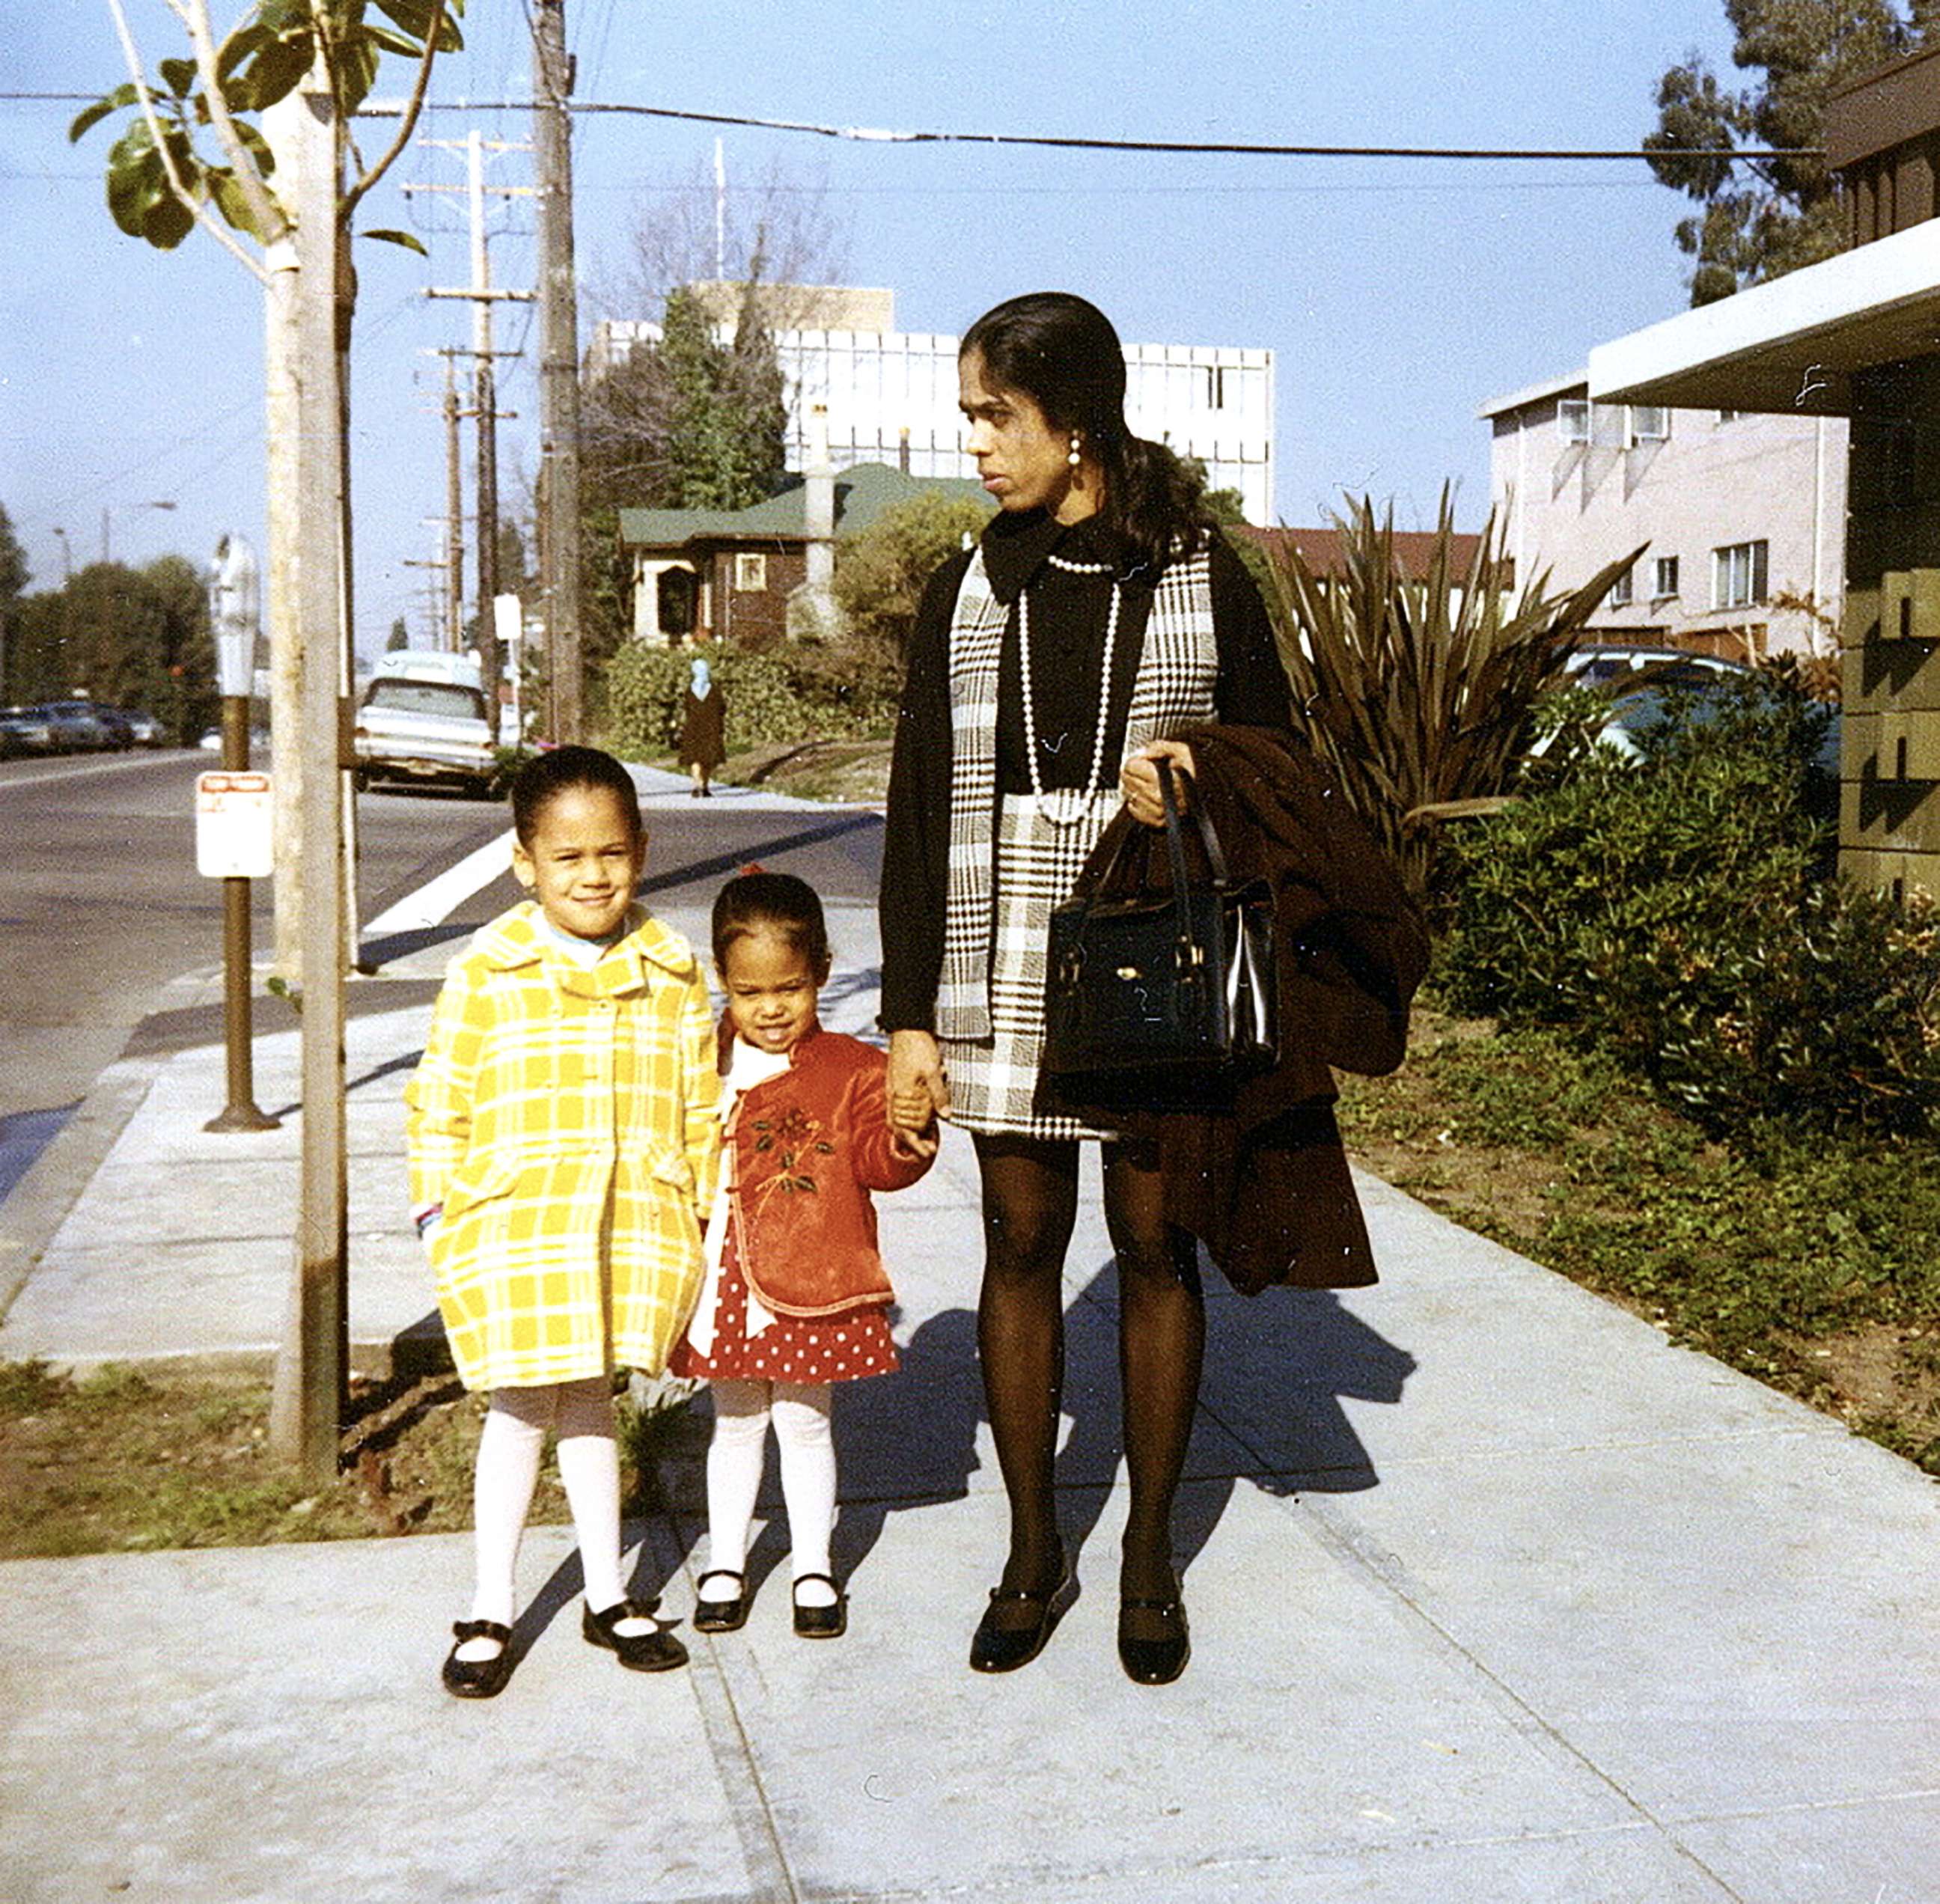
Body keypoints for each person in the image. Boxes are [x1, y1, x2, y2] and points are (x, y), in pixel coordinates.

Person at [877, 291, 1299, 1687]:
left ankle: (1146, 1555)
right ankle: (1031, 1546)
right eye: (973, 422)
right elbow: (920, 802)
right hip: (996, 942)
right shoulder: (970, 581)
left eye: (997, 419)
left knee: (1156, 1240)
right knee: (1015, 1238)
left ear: (1077, 418)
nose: (980, 449)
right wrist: (906, 1021)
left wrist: (1189, 773)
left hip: (1146, 942)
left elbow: (1279, 765)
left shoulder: (1200, 570)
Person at [407, 745, 719, 1698]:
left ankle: (605, 1591)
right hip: (517, 1225)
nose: (593, 875)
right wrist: (436, 1211)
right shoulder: (488, 969)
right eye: (569, 857)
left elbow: (699, 1101)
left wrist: (699, 1208)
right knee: (517, 1408)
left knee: (592, 1404)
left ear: (642, 851)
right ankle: (491, 1605)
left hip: (628, 1220)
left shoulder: (673, 970)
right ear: (525, 863)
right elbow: (440, 1101)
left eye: (613, 854)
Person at [671, 870, 936, 1638]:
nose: (772, 1009)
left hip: (812, 1276)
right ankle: (726, 1561)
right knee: (736, 1423)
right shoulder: (702, 1060)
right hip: (722, 1276)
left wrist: (908, 1129)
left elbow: (883, 1165)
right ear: (723, 982)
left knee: (806, 1422)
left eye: (789, 987)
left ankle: (814, 1565)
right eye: (750, 994)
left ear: (820, 972)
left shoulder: (853, 1067)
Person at [679, 653, 725, 798]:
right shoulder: (715, 690)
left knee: (695, 758)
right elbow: (722, 708)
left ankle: (697, 784)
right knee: (708, 758)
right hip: (711, 728)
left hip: (693, 728)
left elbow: (686, 708)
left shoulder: (689, 691)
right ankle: (704, 786)